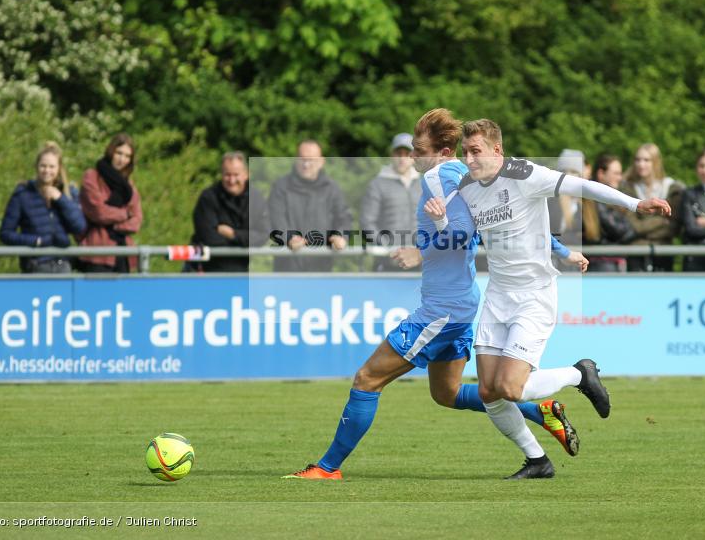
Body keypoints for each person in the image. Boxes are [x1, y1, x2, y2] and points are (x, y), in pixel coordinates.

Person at [283, 109, 585, 481]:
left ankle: (327, 468)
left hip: (442, 310)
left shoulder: (437, 175)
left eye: (419, 149)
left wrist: (420, 251)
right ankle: (541, 412)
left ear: (443, 152)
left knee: (367, 379)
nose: (412, 156)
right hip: (460, 304)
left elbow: (461, 231)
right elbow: (509, 220)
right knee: (447, 393)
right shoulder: (471, 176)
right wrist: (561, 249)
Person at [438, 118, 669, 479]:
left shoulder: (525, 174)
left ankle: (579, 374)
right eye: (464, 152)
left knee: (510, 388)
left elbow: (582, 186)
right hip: (497, 295)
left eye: (475, 151)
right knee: (488, 392)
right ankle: (538, 461)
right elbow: (464, 232)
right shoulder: (467, 187)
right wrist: (439, 222)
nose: (468, 159)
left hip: (534, 295)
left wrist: (635, 203)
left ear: (497, 150)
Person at [0, 142, 86, 273]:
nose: (47, 171)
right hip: (35, 265)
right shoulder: (23, 194)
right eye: (43, 166)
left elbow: (79, 227)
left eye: (52, 167)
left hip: (63, 264)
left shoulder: (68, 192)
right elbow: (5, 233)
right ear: (36, 167)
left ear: (59, 168)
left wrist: (60, 199)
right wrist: (35, 241)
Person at [268, 140, 353, 272]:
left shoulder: (332, 189)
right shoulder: (281, 187)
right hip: (287, 268)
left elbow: (344, 218)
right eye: (302, 159)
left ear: (321, 161)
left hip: (321, 268)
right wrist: (288, 238)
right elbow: (275, 218)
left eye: (311, 160)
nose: (306, 164)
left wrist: (340, 236)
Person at [189, 151, 270, 272]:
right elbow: (208, 238)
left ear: (246, 174)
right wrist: (245, 240)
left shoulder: (256, 198)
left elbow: (263, 235)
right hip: (205, 270)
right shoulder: (208, 197)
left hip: (243, 271)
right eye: (227, 175)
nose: (232, 180)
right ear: (221, 175)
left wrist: (233, 234)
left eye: (236, 174)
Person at [78, 133, 143, 273]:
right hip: (96, 252)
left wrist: (114, 224)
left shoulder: (128, 185)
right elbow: (98, 213)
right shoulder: (92, 176)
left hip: (123, 252)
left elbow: (136, 220)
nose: (122, 159)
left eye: (127, 156)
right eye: (119, 153)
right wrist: (125, 214)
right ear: (111, 151)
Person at [360, 133, 422, 271]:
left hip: (419, 262)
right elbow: (367, 222)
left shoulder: (424, 184)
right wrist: (386, 246)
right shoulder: (377, 185)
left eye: (407, 154)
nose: (402, 158)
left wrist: (423, 249)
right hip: (387, 261)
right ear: (391, 155)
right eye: (398, 153)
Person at [621, 143, 684, 272]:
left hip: (663, 251)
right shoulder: (627, 188)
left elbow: (673, 226)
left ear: (655, 162)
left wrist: (644, 227)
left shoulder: (672, 188)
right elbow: (634, 226)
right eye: (638, 160)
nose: (641, 164)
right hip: (636, 252)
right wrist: (662, 221)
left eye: (646, 160)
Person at [584, 154, 637, 272]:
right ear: (601, 174)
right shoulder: (593, 201)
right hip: (601, 263)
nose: (620, 178)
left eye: (620, 173)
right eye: (616, 173)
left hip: (611, 261)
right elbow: (624, 232)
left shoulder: (616, 199)